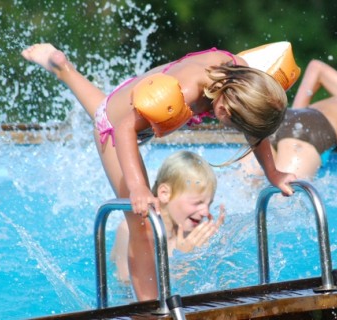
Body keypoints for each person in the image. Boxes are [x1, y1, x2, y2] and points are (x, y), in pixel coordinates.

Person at [21, 43, 296, 300]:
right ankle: (149, 309)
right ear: (223, 109)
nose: (239, 133)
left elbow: (255, 134)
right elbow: (124, 128)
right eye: (237, 127)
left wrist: (273, 173)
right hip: (116, 128)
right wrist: (138, 187)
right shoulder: (183, 95)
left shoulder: (239, 75)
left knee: (106, 104)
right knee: (141, 225)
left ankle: (63, 68)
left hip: (136, 96)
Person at [110, 150, 224, 284]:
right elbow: (128, 287)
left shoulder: (190, 234)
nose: (205, 212)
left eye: (209, 204)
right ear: (164, 194)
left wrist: (218, 245)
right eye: (197, 202)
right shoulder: (129, 230)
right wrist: (183, 259)